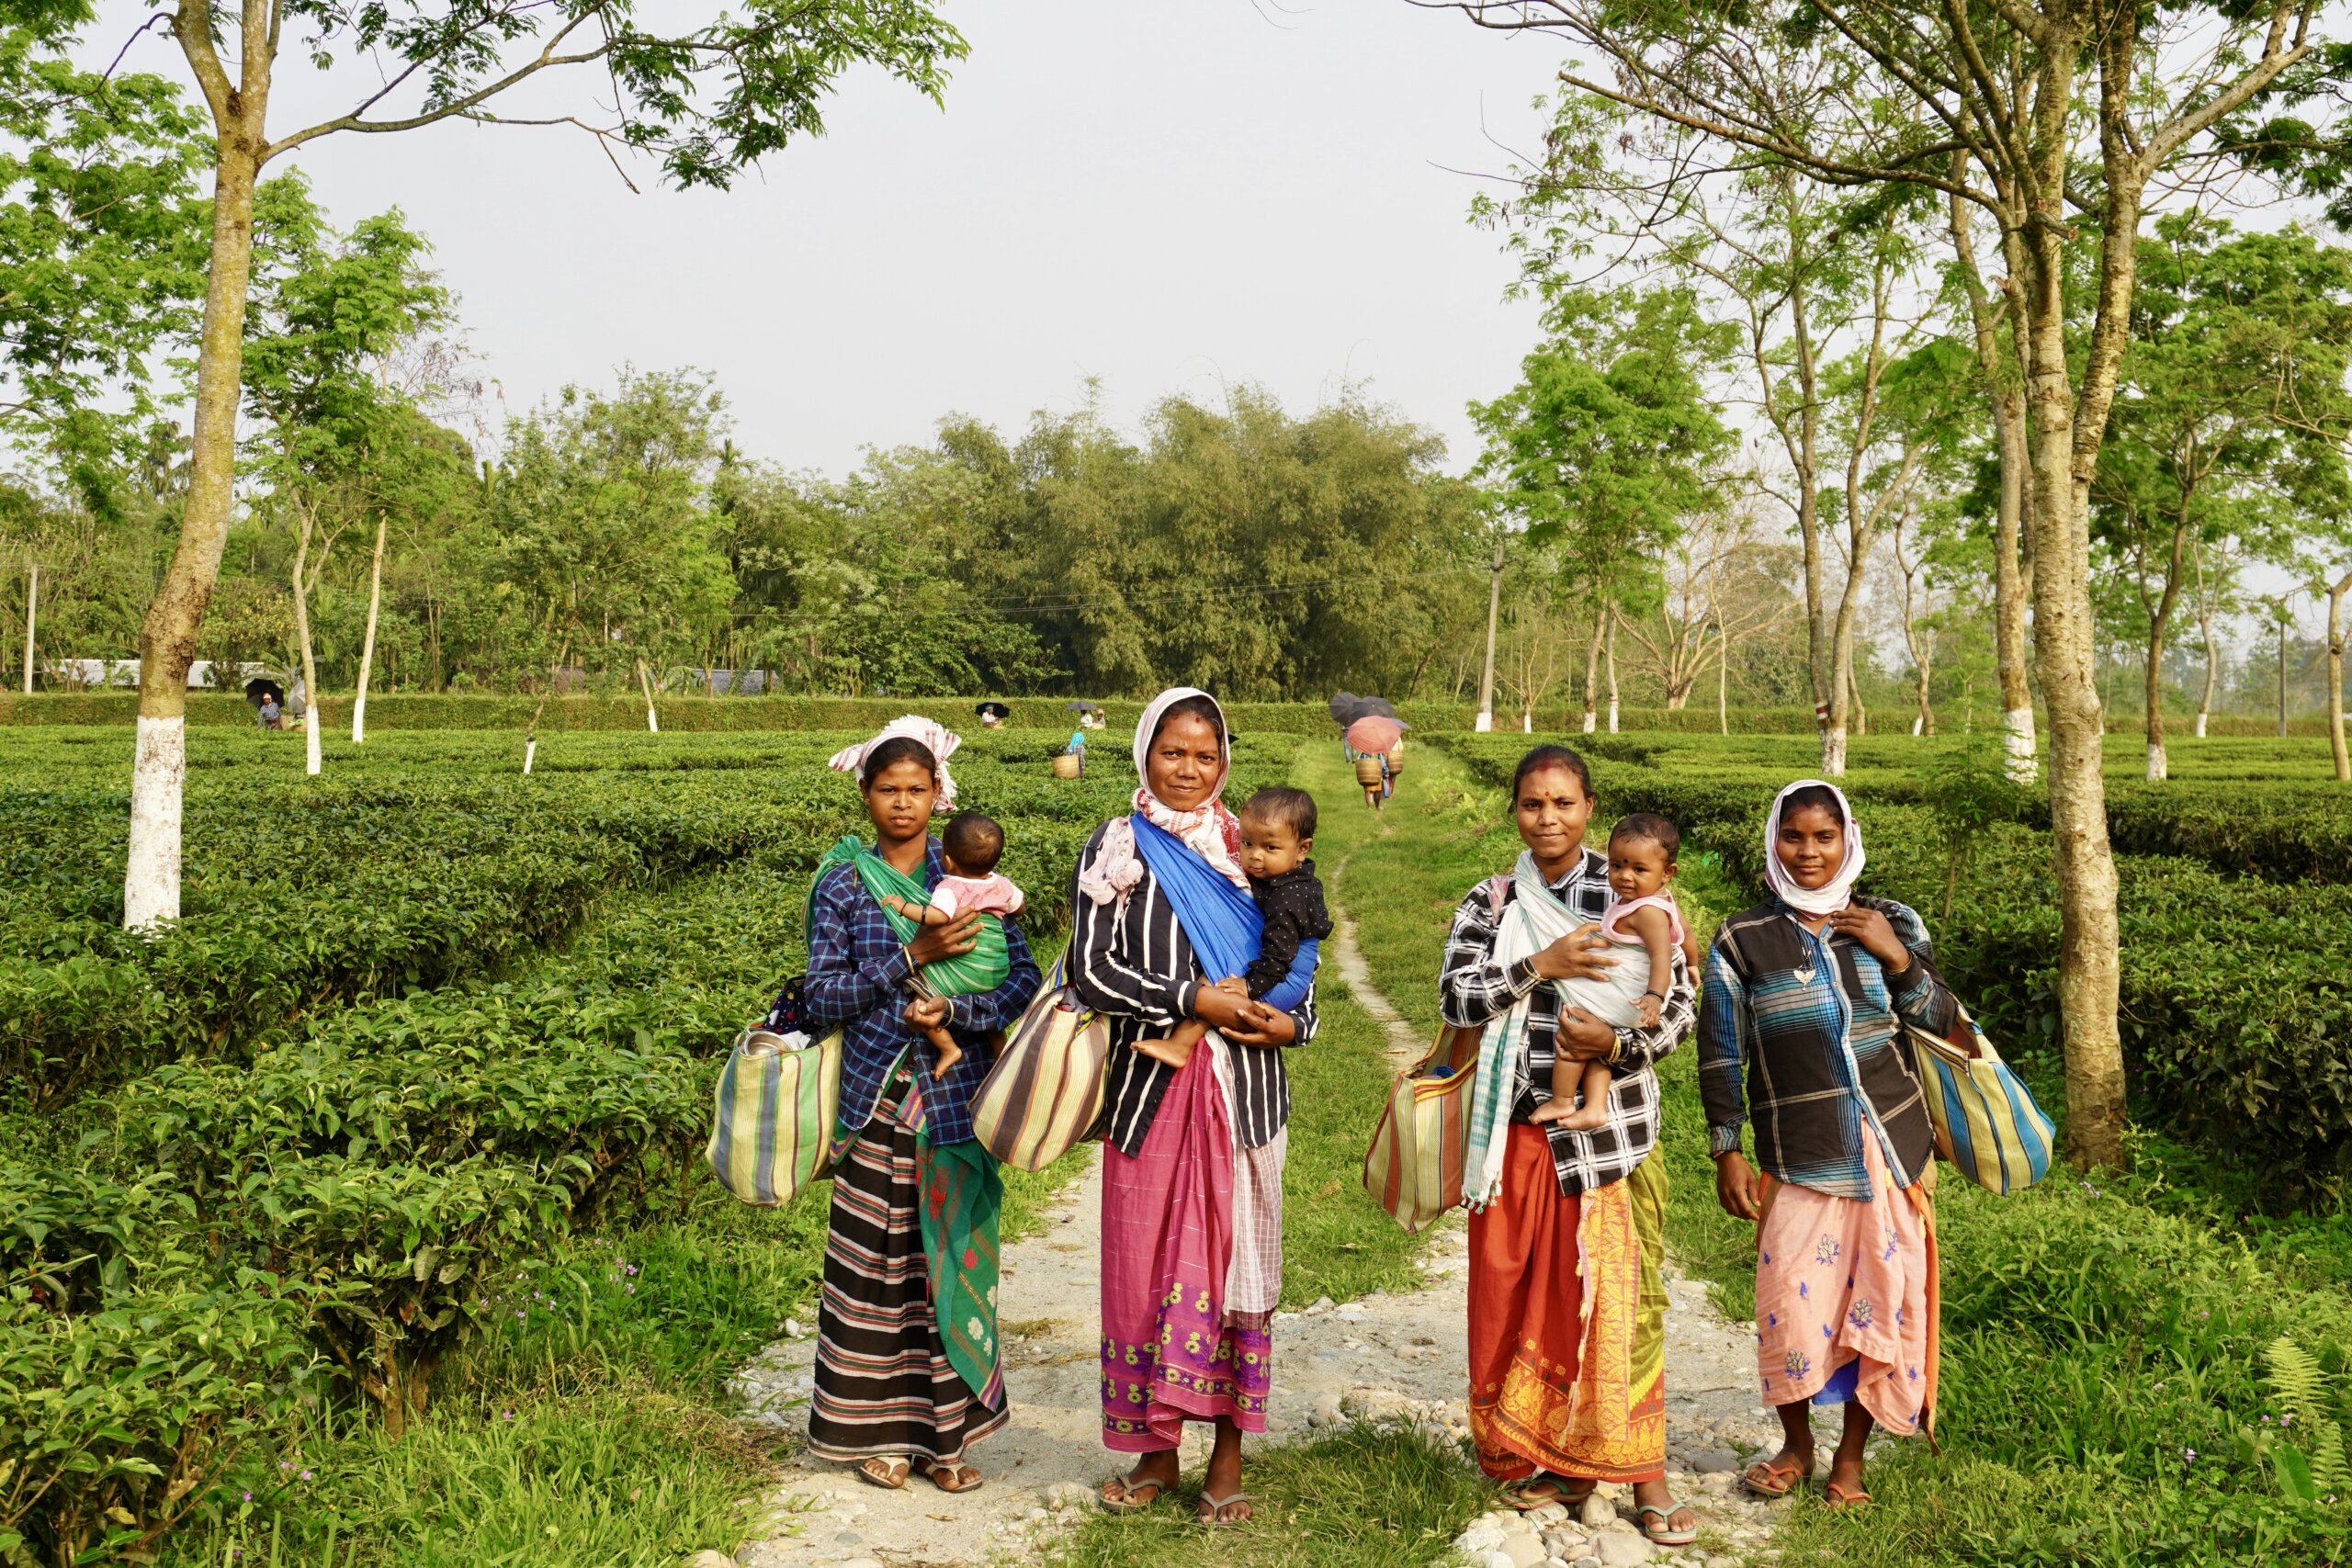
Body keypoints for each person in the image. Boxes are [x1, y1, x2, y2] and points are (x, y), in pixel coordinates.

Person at [1437, 745, 1701, 1548]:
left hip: (1610, 1139)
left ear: (1588, 805)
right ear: (1515, 810)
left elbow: (1680, 1007)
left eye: (1563, 803)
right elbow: (1456, 994)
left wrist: (1618, 1048)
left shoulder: (1627, 886)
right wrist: (1538, 964)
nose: (1547, 818)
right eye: (1531, 804)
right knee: (1522, 1298)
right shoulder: (1493, 900)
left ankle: (1643, 1475)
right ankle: (1547, 1457)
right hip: (1514, 1130)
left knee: (1619, 1303)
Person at [1072, 688, 1321, 1526]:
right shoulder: (1115, 847)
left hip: (1245, 1094)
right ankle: (1154, 1455)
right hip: (1151, 1092)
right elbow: (1089, 971)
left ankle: (1227, 1455)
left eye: (1205, 755)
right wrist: (1190, 998)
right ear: (1144, 752)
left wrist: (1295, 1022)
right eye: (1173, 751)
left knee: (1237, 1272)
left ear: (1224, 763)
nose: (1188, 768)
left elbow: (1300, 964)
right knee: (1145, 1273)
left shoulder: (1246, 846)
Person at [800, 717, 1043, 1496]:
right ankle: (885, 1438)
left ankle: (950, 1439)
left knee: (952, 1262)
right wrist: (911, 959)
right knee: (879, 1269)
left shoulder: (972, 875)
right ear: (866, 795)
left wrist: (956, 1017)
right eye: (887, 790)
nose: (902, 803)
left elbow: (1018, 982)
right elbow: (820, 994)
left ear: (940, 796)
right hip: (875, 1101)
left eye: (917, 789)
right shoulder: (841, 882)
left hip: (951, 1102)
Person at [1701, 779, 1957, 1510]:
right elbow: (1721, 1051)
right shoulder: (1741, 937)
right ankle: (1796, 1445)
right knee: (1788, 1302)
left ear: (1848, 839)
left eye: (1824, 836)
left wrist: (1897, 956)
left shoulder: (1891, 920)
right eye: (1794, 836)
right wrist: (1727, 1146)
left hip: (1891, 1147)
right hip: (1799, 1149)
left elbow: (1941, 1019)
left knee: (1877, 1300)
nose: (1809, 852)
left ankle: (1850, 1459)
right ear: (1772, 842)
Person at [1136, 784, 1329, 1071]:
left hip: (1282, 982)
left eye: (1270, 847)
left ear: (1302, 849)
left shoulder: (1289, 898)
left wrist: (1248, 985)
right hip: (1281, 976)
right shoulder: (1287, 879)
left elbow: (1279, 955)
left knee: (1214, 981)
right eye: (1247, 844)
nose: (1254, 856)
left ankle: (1180, 1045)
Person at [1532, 813, 1686, 1134]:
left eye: (1639, 869)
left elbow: (1661, 956)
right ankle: (1595, 1108)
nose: (1624, 877)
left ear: (1668, 872)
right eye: (1616, 865)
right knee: (1596, 1050)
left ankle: (1561, 1099)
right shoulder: (1661, 901)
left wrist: (1655, 996)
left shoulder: (1647, 912)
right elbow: (1688, 937)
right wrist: (1695, 965)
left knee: (1573, 1037)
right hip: (1631, 999)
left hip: (1634, 999)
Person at [878, 810, 1027, 1079]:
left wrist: (903, 907)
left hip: (966, 970)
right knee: (991, 1022)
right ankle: (1001, 1053)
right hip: (995, 971)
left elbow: (937, 916)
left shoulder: (950, 888)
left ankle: (948, 1048)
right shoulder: (1003, 884)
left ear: (947, 859)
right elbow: (1018, 907)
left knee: (919, 994)